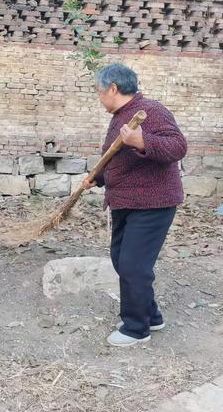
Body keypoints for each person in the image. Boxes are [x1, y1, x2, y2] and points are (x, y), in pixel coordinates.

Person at [83, 63, 187, 347]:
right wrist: (99, 178)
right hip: (125, 202)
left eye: (99, 91)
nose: (99, 97)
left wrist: (143, 141)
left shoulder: (151, 111)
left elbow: (178, 146)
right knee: (122, 259)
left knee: (133, 265)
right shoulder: (120, 116)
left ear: (113, 88)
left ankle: (136, 328)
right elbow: (116, 158)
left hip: (153, 202)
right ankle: (150, 315)